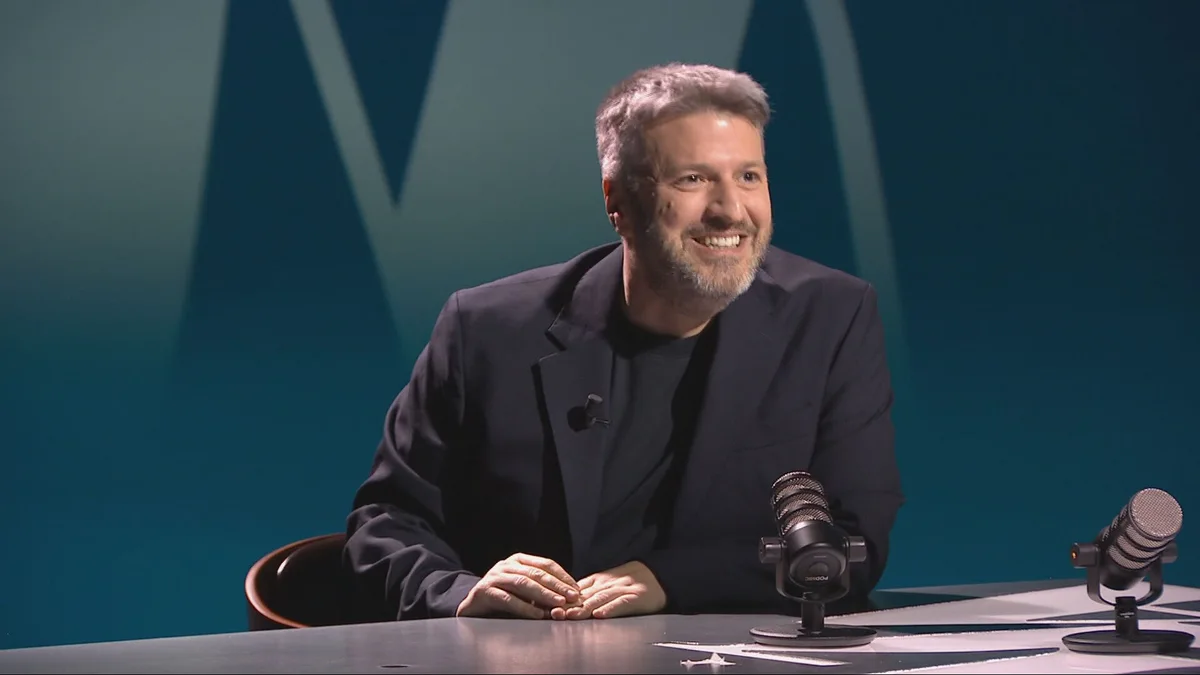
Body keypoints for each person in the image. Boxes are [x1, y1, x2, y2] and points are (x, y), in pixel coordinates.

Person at [342, 63, 904, 622]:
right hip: (525, 656)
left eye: (749, 177)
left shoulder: (831, 317)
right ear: (618, 202)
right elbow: (386, 524)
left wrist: (670, 581)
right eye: (693, 179)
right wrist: (458, 593)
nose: (731, 210)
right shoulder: (488, 330)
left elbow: (854, 543)